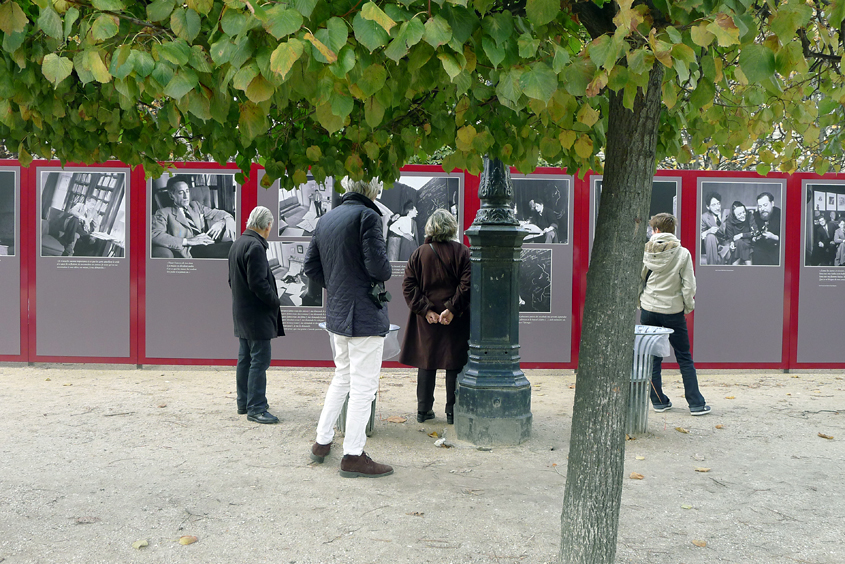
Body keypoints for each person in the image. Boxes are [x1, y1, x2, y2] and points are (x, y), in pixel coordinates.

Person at [304, 177, 394, 478]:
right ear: (370, 189)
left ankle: (322, 441)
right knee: (363, 387)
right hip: (364, 315)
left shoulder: (326, 218)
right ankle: (353, 455)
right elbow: (380, 269)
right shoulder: (368, 216)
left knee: (342, 377)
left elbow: (311, 267)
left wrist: (340, 284)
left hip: (338, 313)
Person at [400, 209, 471, 425]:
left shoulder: (419, 253)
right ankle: (452, 412)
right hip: (455, 318)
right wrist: (450, 309)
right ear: (452, 227)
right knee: (454, 363)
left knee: (427, 361)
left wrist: (427, 310)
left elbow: (408, 286)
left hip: (426, 319)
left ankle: (423, 411)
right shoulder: (463, 252)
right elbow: (467, 285)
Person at [638, 213, 710, 416]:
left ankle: (658, 401)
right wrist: (688, 306)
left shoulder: (646, 251)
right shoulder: (682, 253)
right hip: (673, 311)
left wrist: (640, 303)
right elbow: (689, 285)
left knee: (652, 358)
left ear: (656, 230)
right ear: (672, 231)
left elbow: (639, 280)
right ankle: (696, 404)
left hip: (649, 310)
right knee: (684, 357)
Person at [228, 206, 284, 424]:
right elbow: (258, 283)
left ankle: (244, 403)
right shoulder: (256, 246)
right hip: (257, 314)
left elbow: (232, 281)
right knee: (260, 361)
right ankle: (257, 408)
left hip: (242, 312)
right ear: (267, 225)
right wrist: (275, 301)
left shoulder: (238, 244)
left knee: (245, 359)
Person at [151, 175, 236, 258]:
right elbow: (155, 235)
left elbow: (216, 213)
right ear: (171, 195)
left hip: (207, 242)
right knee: (235, 248)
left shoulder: (195, 205)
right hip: (190, 249)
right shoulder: (163, 212)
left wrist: (225, 220)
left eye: (187, 191)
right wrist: (188, 241)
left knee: (237, 245)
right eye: (181, 193)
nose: (186, 196)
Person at [750, 192, 781, 265]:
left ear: (772, 203)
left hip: (777, 247)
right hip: (760, 248)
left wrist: (774, 237)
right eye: (760, 206)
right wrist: (753, 238)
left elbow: (790, 239)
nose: (763, 209)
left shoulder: (782, 215)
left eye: (765, 205)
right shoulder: (754, 216)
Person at [722, 201, 754, 265]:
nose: (743, 215)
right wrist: (731, 243)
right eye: (739, 214)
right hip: (737, 242)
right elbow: (730, 237)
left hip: (749, 240)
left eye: (743, 212)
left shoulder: (749, 215)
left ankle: (734, 267)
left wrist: (742, 235)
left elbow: (755, 232)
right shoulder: (729, 221)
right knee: (740, 243)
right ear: (734, 215)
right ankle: (749, 267)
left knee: (741, 243)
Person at [700, 192, 724, 265]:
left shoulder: (727, 214)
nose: (717, 207)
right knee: (710, 236)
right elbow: (700, 235)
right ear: (708, 207)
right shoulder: (704, 217)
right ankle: (712, 268)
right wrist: (709, 231)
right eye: (713, 205)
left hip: (725, 243)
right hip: (712, 244)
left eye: (718, 203)